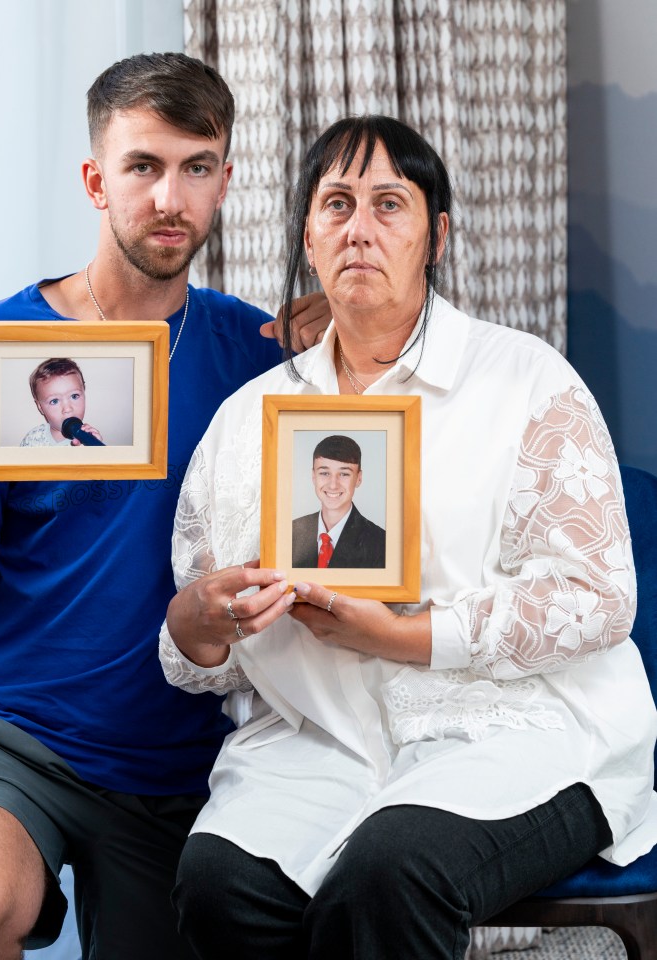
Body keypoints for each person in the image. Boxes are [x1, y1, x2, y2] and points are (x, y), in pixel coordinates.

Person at [160, 115, 657, 960]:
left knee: (390, 874)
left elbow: (600, 599)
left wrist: (408, 636)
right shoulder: (248, 423)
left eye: (390, 204)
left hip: (517, 734)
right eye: (336, 204)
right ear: (309, 238)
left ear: (436, 235)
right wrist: (198, 626)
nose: (359, 228)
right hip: (319, 740)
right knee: (217, 884)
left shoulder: (526, 381)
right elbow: (200, 651)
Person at [0, 52, 329, 960]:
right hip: (15, 731)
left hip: (187, 764)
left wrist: (343, 346)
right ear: (99, 180)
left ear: (225, 180)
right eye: (143, 167)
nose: (169, 199)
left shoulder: (259, 357)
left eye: (196, 167)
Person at [292, 434, 386, 568]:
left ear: (359, 478)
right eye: (324, 473)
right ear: (314, 476)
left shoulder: (381, 543)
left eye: (344, 474)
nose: (333, 485)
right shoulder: (291, 533)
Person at [20, 357, 104, 446]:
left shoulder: (89, 440)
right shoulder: (33, 439)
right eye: (54, 401)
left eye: (74, 396)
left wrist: (97, 451)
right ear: (40, 407)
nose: (67, 409)